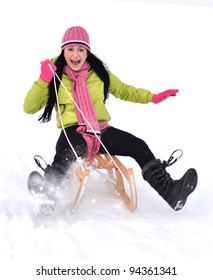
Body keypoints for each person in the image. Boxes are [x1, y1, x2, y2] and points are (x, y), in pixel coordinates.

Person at [24, 26, 197, 213]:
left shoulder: (98, 71)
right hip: (73, 130)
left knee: (139, 146)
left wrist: (152, 97)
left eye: (80, 49)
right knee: (66, 153)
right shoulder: (54, 72)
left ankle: (170, 192)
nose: (75, 54)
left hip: (101, 130)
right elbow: (29, 107)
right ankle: (48, 195)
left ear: (87, 51)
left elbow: (124, 90)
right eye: (70, 49)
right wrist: (44, 79)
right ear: (63, 51)